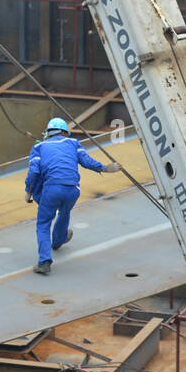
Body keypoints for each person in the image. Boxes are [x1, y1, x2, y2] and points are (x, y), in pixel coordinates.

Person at [24, 117, 121, 275]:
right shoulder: (73, 143)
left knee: (43, 223)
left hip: (52, 189)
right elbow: (86, 161)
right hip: (73, 190)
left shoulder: (39, 147)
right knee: (64, 212)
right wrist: (104, 168)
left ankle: (44, 262)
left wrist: (28, 191)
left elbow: (34, 172)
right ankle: (58, 240)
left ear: (48, 133)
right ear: (64, 132)